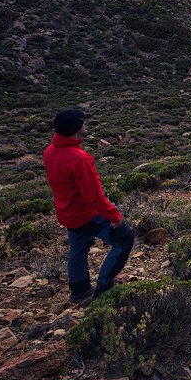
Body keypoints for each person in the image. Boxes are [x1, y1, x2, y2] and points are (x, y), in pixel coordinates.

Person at [43, 108, 135, 304]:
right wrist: (114, 215)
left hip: (67, 212)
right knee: (125, 239)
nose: (86, 125)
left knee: (78, 247)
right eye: (83, 122)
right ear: (77, 128)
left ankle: (79, 290)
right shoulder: (79, 158)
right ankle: (104, 288)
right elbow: (94, 197)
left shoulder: (50, 151)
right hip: (85, 214)